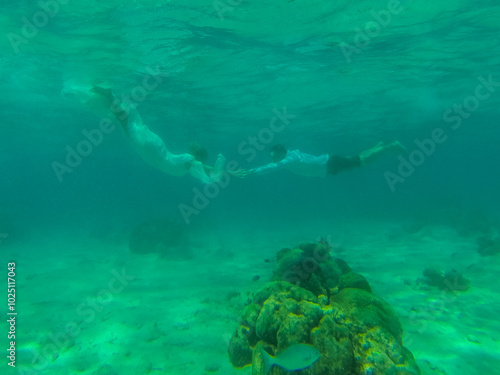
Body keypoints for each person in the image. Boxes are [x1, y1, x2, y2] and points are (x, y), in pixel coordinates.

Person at [69, 84, 225, 184]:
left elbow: (207, 169)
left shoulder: (190, 163)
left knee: (130, 123)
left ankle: (110, 96)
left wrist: (225, 170)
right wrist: (221, 169)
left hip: (155, 146)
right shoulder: (189, 162)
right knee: (126, 123)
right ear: (198, 158)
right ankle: (109, 95)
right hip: (149, 149)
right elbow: (208, 174)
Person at [239, 141, 406, 177]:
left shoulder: (291, 158)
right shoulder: (286, 157)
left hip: (329, 163)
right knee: (357, 161)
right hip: (328, 166)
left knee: (360, 162)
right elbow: (273, 164)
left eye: (275, 157)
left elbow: (273, 167)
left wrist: (252, 172)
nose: (273, 160)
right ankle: (378, 146)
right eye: (272, 157)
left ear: (282, 154)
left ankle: (389, 148)